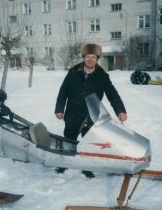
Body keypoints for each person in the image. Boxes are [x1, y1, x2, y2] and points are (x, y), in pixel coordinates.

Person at [54, 43, 127, 178]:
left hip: (91, 115)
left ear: (97, 58)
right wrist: (59, 108)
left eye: (93, 57)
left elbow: (113, 94)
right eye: (88, 56)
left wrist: (120, 111)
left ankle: (86, 167)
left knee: (89, 142)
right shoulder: (73, 72)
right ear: (84, 57)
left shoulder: (102, 76)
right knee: (69, 138)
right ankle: (64, 163)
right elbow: (63, 91)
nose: (90, 59)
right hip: (73, 113)